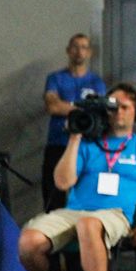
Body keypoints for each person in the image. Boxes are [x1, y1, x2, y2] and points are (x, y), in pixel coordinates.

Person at [19, 82, 136, 271]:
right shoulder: (87, 145)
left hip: (114, 215)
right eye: (113, 107)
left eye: (125, 107)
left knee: (88, 225)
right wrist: (75, 137)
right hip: (74, 212)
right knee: (29, 241)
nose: (118, 112)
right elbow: (62, 183)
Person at [42, 33, 107, 211]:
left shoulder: (96, 82)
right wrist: (83, 109)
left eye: (84, 47)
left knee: (86, 196)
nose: (79, 51)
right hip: (58, 143)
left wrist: (67, 106)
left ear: (90, 52)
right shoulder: (55, 78)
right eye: (75, 47)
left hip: (87, 146)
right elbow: (52, 106)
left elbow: (100, 112)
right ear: (68, 50)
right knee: (53, 198)